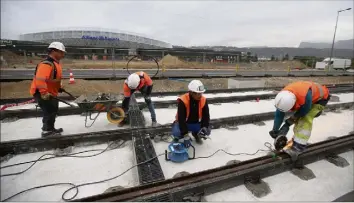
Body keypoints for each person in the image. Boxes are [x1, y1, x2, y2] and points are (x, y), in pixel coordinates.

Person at [269, 81, 331, 161]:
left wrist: (289, 122)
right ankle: (296, 140)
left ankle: (299, 147)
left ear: (294, 102)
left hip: (321, 98)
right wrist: (275, 130)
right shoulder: (283, 97)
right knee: (298, 120)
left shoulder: (304, 98)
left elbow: (302, 112)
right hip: (308, 93)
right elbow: (279, 114)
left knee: (304, 119)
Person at [29, 42, 66, 137]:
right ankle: (46, 131)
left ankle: (51, 128)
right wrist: (44, 93)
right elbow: (40, 80)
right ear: (53, 51)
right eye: (61, 52)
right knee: (49, 111)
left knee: (53, 110)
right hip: (43, 93)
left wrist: (59, 88)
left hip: (50, 92)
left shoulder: (55, 63)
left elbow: (53, 79)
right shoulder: (46, 64)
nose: (63, 54)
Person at [172, 80, 211, 147]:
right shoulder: (183, 100)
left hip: (196, 123)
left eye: (201, 93)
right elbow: (181, 119)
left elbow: (206, 116)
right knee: (176, 132)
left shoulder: (203, 100)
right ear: (191, 93)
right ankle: (180, 137)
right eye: (198, 93)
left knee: (208, 130)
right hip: (184, 123)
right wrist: (185, 134)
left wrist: (205, 127)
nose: (200, 95)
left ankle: (196, 134)